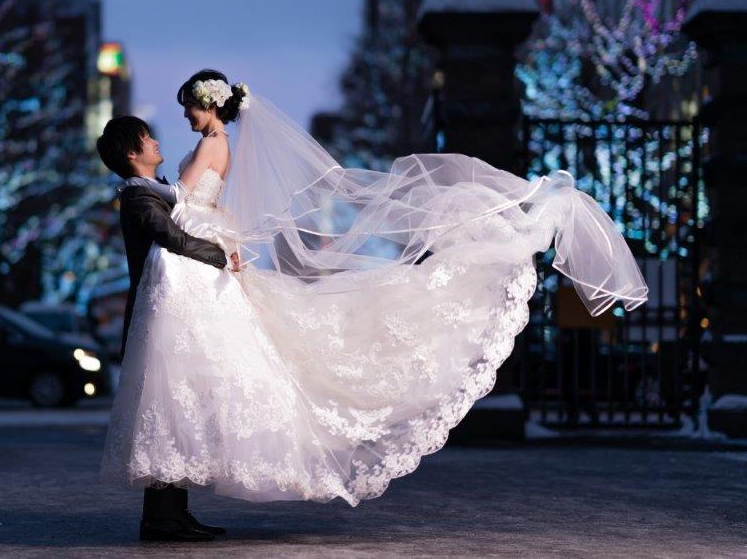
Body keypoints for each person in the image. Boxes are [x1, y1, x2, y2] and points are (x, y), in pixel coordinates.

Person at [100, 69, 648, 532]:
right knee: (185, 393)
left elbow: (185, 218)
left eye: (188, 112)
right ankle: (168, 512)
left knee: (185, 392)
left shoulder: (207, 148)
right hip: (191, 284)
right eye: (158, 130)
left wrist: (219, 249)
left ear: (208, 107)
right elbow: (185, 217)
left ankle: (170, 512)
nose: (179, 126)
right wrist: (220, 245)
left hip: (195, 281)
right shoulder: (167, 175)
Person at [95, 116, 238, 541]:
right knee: (164, 414)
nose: (157, 141)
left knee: (177, 412)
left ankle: (174, 513)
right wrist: (217, 254)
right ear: (131, 153)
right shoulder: (137, 198)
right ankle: (160, 519)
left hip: (169, 313)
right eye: (147, 138)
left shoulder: (151, 191)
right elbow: (171, 237)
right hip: (157, 318)